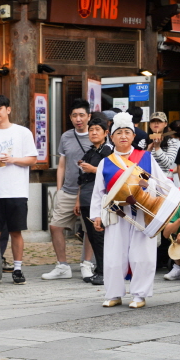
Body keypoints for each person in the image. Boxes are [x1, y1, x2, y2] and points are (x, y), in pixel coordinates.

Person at [90, 112, 177, 309]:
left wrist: (173, 194)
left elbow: (162, 182)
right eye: (119, 133)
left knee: (142, 255)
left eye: (127, 132)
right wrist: (96, 216)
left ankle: (139, 295)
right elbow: (98, 192)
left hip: (143, 211)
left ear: (133, 135)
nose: (123, 136)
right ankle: (113, 294)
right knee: (113, 255)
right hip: (117, 213)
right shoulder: (105, 162)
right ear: (111, 137)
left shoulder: (146, 157)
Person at [0, 95, 38, 284]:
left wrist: (13, 160)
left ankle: (17, 269)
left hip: (16, 190)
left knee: (15, 231)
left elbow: (32, 159)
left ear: (8, 110)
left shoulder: (22, 132)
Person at [44, 99, 94, 281]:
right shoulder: (66, 136)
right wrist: (59, 190)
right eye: (74, 115)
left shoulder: (95, 135)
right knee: (55, 226)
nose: (78, 119)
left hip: (89, 191)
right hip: (67, 190)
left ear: (89, 116)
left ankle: (87, 264)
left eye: (81, 115)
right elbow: (62, 164)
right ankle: (62, 266)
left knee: (89, 229)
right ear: (70, 118)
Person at [75, 117, 112, 286]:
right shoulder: (90, 152)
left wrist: (94, 169)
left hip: (99, 199)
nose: (94, 133)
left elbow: (114, 173)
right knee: (91, 235)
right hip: (86, 198)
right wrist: (78, 200)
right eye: (91, 130)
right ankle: (99, 270)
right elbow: (81, 179)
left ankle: (104, 272)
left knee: (99, 236)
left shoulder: (108, 151)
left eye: (97, 130)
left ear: (106, 133)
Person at [145, 112, 180, 178]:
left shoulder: (171, 142)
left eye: (160, 121)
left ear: (165, 124)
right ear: (149, 124)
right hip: (147, 178)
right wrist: (148, 151)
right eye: (153, 121)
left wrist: (157, 148)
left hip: (164, 179)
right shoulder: (143, 142)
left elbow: (168, 165)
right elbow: (140, 163)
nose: (156, 123)